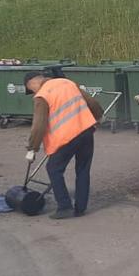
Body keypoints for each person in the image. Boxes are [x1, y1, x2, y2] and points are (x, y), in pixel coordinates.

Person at [24, 71, 103, 219]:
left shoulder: (42, 95)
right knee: (83, 169)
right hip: (86, 131)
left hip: (66, 138)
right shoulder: (67, 83)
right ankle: (80, 208)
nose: (33, 92)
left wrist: (32, 148)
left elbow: (39, 125)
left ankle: (65, 207)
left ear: (32, 83)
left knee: (53, 169)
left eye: (31, 89)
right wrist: (99, 116)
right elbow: (91, 102)